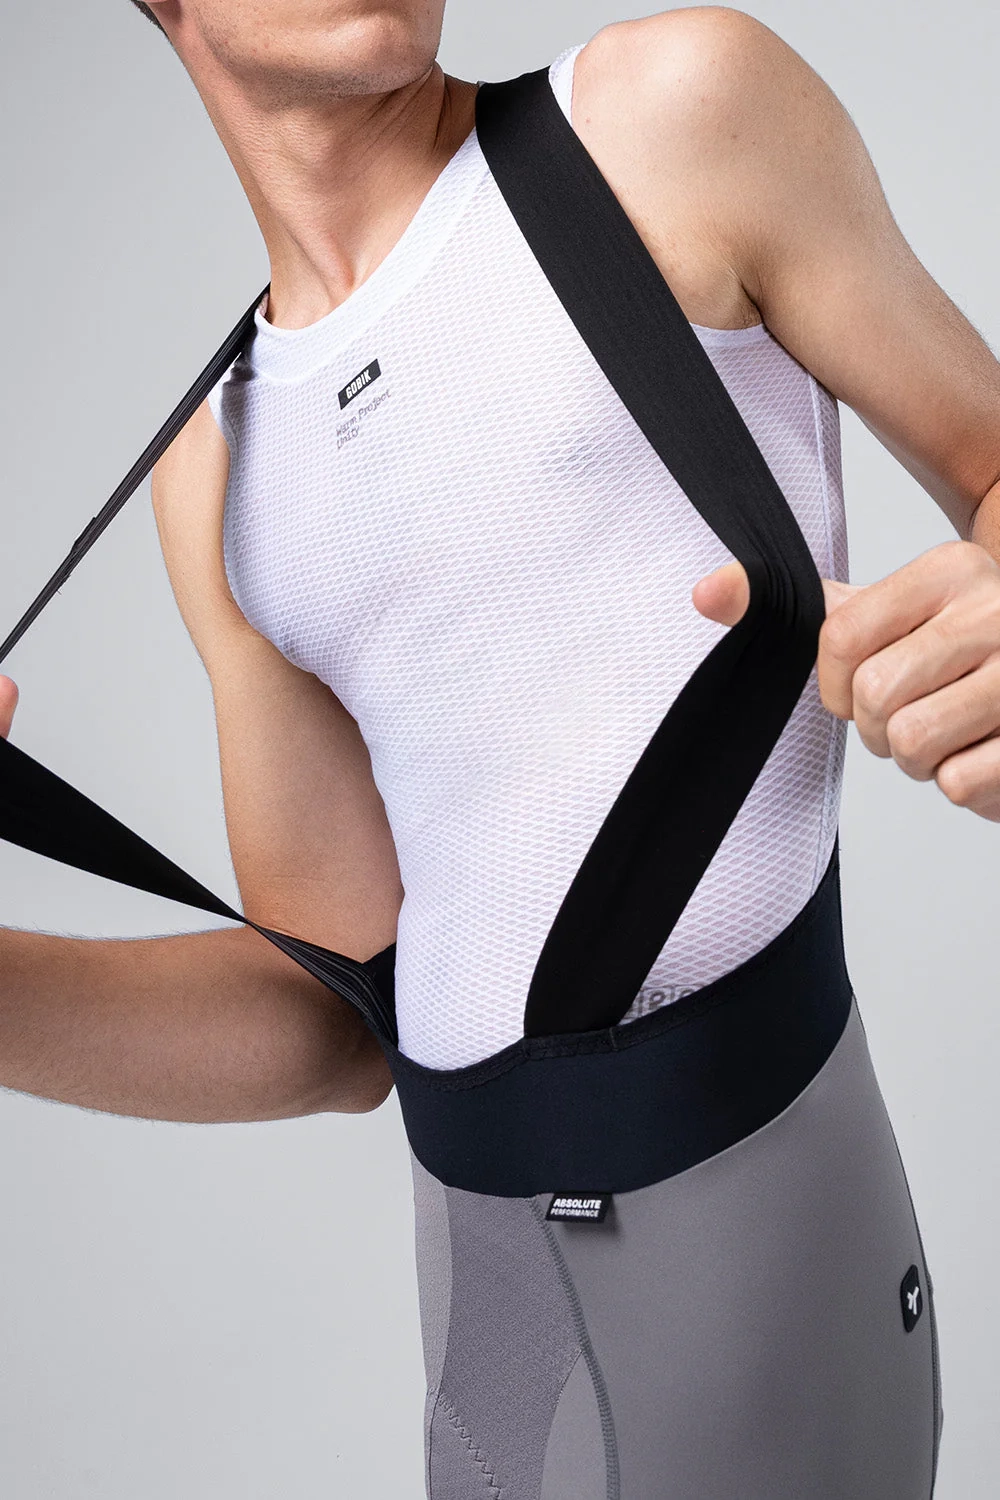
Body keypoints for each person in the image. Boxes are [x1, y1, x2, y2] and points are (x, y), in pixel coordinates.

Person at [2, 1, 999, 1492]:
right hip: (492, 1355)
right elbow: (334, 1016)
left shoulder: (668, 116)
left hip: (767, 1279)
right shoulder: (220, 468)